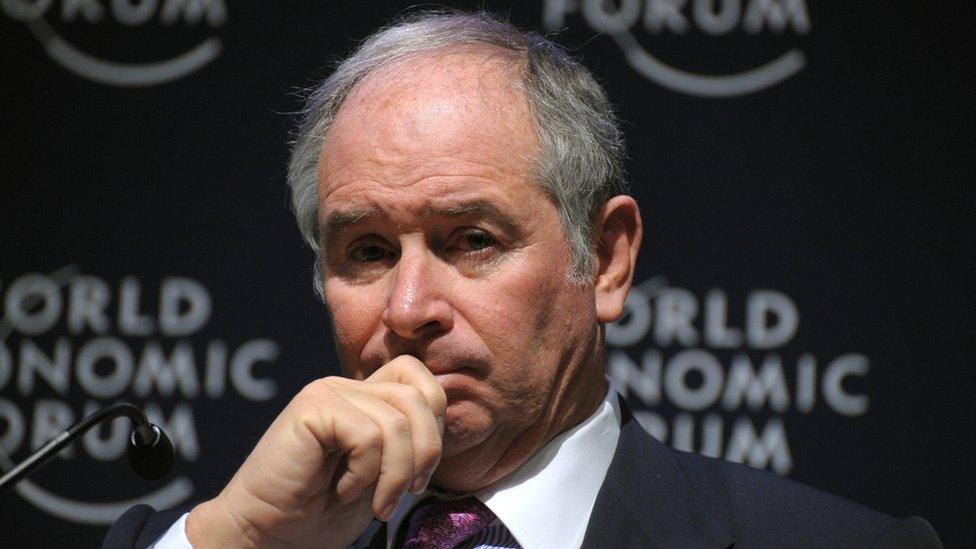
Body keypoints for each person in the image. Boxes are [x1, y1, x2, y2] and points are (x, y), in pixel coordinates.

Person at [104, 10, 941, 549]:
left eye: (470, 238)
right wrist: (242, 539)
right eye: (365, 251)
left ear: (606, 258)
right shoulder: (221, 539)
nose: (407, 309)